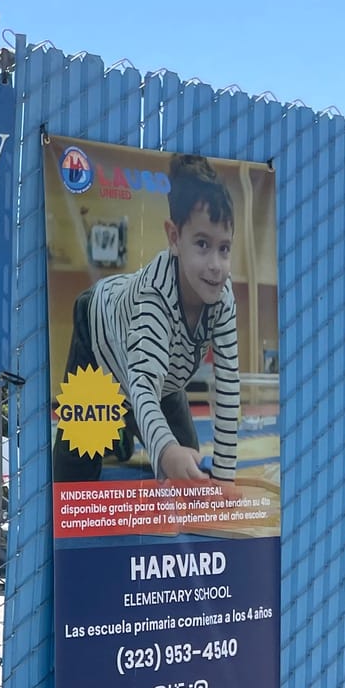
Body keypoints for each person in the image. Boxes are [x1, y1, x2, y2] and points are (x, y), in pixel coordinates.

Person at [53, 153, 241, 484]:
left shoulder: (223, 297)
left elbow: (227, 386)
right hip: (103, 343)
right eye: (202, 244)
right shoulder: (154, 298)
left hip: (162, 376)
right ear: (174, 237)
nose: (215, 264)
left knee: (191, 471)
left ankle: (122, 431)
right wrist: (166, 452)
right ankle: (116, 426)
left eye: (224, 248)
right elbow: (140, 387)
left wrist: (224, 478)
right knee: (75, 473)